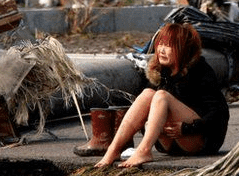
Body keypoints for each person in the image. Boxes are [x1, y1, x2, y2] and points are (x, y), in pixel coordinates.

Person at [95, 22, 229, 167]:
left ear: (183, 48)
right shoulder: (160, 72)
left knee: (161, 96)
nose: (161, 50)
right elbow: (143, 114)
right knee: (147, 94)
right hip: (168, 144)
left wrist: (186, 128)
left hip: (199, 141)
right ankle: (113, 149)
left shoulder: (201, 71)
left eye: (168, 45)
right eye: (160, 44)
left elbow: (219, 114)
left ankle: (144, 150)